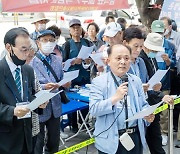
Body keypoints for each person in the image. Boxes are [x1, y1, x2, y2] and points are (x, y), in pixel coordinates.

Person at [89, 44, 155, 154]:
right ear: (108, 61)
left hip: (134, 136)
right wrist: (115, 98)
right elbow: (94, 109)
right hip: (110, 139)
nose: (123, 62)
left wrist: (147, 114)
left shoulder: (136, 81)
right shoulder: (99, 82)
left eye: (126, 58)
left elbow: (143, 104)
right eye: (118, 58)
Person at [30, 30, 67, 153]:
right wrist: (45, 86)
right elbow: (29, 85)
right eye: (45, 40)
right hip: (39, 107)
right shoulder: (31, 61)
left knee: (54, 140)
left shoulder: (57, 59)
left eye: (52, 40)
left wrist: (66, 83)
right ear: (38, 43)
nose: (49, 43)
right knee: (37, 142)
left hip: (55, 107)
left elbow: (62, 79)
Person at [0, 27, 36, 154]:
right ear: (9, 47)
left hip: (26, 136)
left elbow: (29, 96)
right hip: (5, 141)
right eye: (23, 49)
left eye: (29, 49)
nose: (27, 54)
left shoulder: (28, 70)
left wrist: (39, 103)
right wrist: (12, 111)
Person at [139, 32, 174, 154]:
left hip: (153, 101)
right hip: (145, 103)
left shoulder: (151, 57)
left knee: (156, 141)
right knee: (148, 140)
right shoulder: (141, 59)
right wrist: (160, 94)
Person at [62, 19, 92, 133]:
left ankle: (84, 122)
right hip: (72, 78)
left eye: (78, 27)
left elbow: (91, 59)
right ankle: (73, 124)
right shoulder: (67, 45)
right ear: (69, 30)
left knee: (85, 100)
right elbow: (62, 64)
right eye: (73, 27)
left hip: (85, 76)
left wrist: (88, 61)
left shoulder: (87, 42)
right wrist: (73, 61)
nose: (76, 29)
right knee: (72, 100)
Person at [151, 20, 176, 146]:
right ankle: (153, 132)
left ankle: (164, 133)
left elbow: (173, 64)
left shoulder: (170, 45)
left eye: (160, 32)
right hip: (150, 83)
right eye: (156, 32)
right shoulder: (148, 44)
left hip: (164, 82)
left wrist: (168, 61)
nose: (158, 35)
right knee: (151, 108)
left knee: (165, 111)